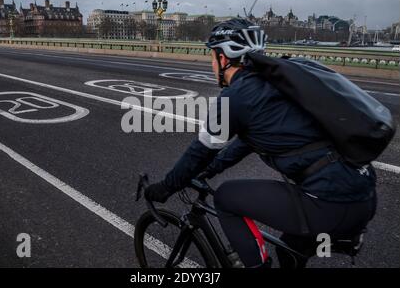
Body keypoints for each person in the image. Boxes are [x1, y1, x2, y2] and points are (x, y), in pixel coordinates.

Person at [145, 18, 377, 268]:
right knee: (290, 251)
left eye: (212, 56)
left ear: (224, 58)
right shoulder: (275, 84)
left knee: (225, 198)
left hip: (329, 203)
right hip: (363, 196)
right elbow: (247, 142)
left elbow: (200, 151)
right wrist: (211, 170)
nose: (212, 64)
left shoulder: (236, 96)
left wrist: (164, 188)